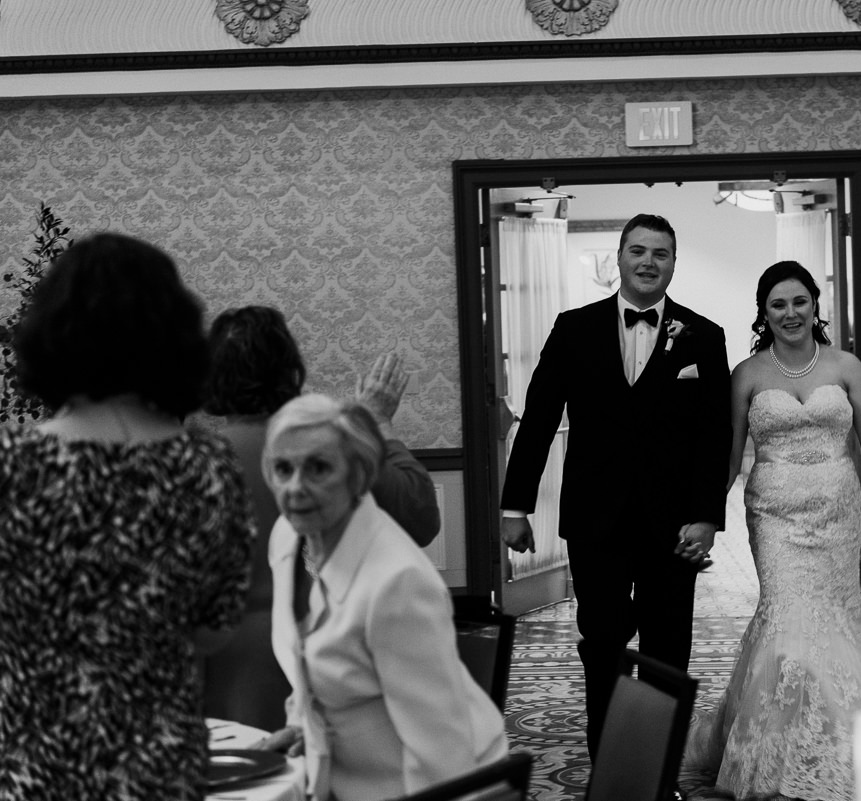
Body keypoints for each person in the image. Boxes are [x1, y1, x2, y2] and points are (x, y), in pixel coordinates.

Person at [0, 232, 256, 801]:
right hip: (159, 771)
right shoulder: (208, 466)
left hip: (35, 772)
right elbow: (215, 631)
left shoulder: (12, 464)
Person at [500, 213, 733, 775]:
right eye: (638, 251)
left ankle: (660, 772)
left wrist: (706, 517)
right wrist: (515, 506)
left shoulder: (703, 335)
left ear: (673, 263)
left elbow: (715, 434)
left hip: (673, 526)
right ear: (621, 258)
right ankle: (611, 765)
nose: (648, 262)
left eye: (660, 253)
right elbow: (537, 420)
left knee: (666, 651)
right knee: (601, 644)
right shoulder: (573, 328)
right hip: (595, 521)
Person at [685, 260, 861, 801]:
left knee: (836, 623)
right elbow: (731, 455)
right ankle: (773, 753)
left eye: (799, 302)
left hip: (836, 518)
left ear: (815, 305)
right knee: (787, 618)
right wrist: (708, 519)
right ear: (764, 313)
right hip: (776, 520)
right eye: (778, 305)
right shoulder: (748, 374)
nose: (790, 313)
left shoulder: (846, 366)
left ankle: (841, 747)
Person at [200, 305, 442, 730]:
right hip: (326, 662)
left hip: (211, 668)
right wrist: (377, 422)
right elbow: (419, 516)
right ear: (291, 370)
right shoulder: (324, 452)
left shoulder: (190, 462)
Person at [257, 393, 506, 801]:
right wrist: (306, 724)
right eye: (283, 469)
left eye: (318, 468)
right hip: (345, 781)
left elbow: (443, 751)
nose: (296, 487)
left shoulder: (397, 583)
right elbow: (317, 667)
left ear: (358, 475)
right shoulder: (287, 538)